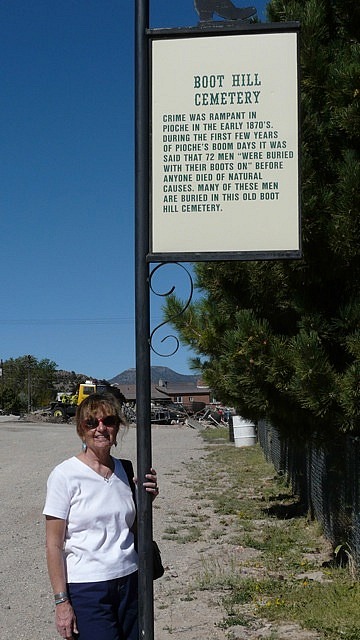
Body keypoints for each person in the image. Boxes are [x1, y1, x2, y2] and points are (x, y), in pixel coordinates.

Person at [43, 393, 158, 640]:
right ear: (81, 430)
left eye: (109, 421)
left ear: (117, 428)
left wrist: (146, 501)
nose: (101, 428)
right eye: (91, 423)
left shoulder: (125, 470)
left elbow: (131, 527)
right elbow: (53, 544)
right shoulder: (64, 475)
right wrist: (61, 602)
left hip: (130, 582)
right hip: (88, 589)